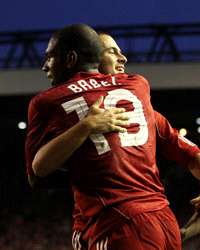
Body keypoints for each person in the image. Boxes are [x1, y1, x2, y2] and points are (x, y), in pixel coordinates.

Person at [25, 24, 200, 250]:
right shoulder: (140, 95)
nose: (123, 58)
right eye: (112, 51)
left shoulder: (54, 101)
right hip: (156, 222)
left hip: (119, 227)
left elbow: (36, 173)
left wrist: (84, 128)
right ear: (93, 60)